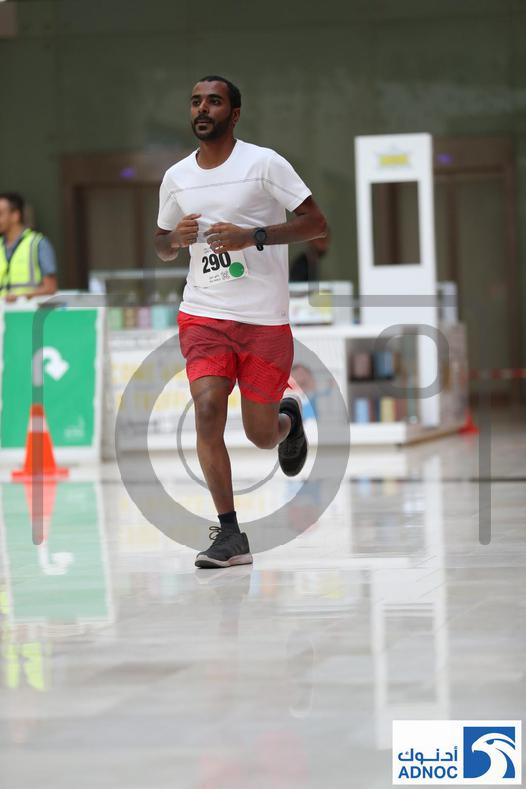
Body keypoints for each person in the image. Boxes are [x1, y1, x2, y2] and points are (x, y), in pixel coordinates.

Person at [155, 75, 327, 569]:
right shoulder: (176, 177)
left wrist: (253, 236)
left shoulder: (264, 164)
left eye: (213, 101)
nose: (201, 108)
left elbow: (316, 225)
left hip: (263, 321)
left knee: (259, 434)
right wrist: (175, 239)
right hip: (203, 313)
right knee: (208, 409)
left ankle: (287, 421)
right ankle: (230, 534)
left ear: (233, 114)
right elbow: (161, 245)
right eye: (195, 101)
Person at [0, 193, 58, 301]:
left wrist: (19, 297)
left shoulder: (38, 243)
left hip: (28, 310)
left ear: (15, 216)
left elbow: (50, 288)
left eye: (0, 214)